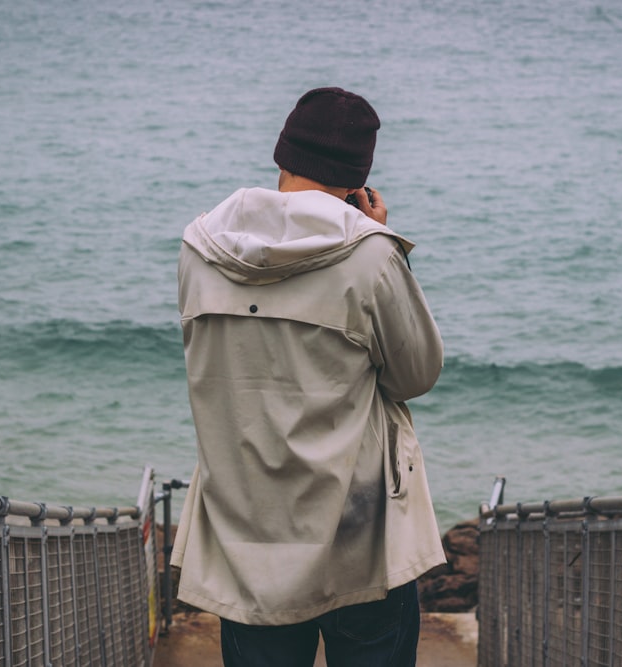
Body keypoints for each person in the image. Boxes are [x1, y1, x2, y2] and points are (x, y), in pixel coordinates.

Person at [171, 87, 445, 667]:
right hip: (359, 536)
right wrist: (386, 248)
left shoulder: (200, 247)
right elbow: (415, 373)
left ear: (282, 157)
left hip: (245, 534)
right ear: (357, 180)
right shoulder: (371, 256)